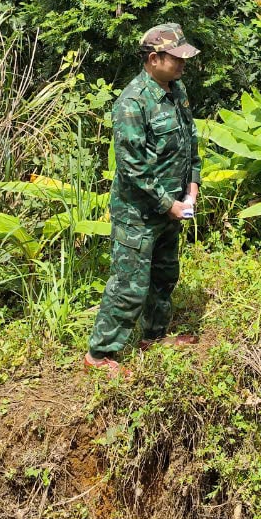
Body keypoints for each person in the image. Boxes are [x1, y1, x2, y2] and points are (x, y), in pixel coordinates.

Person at [85, 23, 203, 378]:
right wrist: (169, 203)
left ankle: (154, 336)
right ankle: (100, 353)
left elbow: (189, 142)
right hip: (139, 212)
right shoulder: (132, 103)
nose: (183, 64)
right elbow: (133, 168)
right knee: (129, 284)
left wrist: (192, 186)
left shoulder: (176, 90)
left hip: (173, 207)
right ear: (154, 59)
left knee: (164, 275)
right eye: (176, 58)